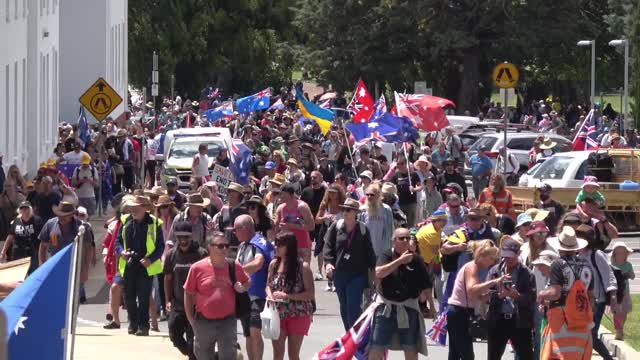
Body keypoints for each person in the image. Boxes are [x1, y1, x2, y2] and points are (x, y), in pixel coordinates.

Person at [184, 232, 250, 360]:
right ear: (210, 247)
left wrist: (243, 288)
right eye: (220, 246)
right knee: (203, 355)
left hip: (227, 321)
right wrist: (191, 319)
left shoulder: (234, 265)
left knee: (228, 356)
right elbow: (188, 293)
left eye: (226, 245)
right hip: (203, 321)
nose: (224, 249)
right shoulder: (197, 268)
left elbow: (247, 281)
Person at [369, 228, 432, 360]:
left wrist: (432, 307)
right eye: (401, 238)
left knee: (411, 347)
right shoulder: (386, 255)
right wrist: (399, 261)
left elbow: (426, 285)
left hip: (409, 307)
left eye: (407, 238)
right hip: (386, 306)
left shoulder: (417, 260)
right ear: (393, 241)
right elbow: (379, 273)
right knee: (377, 345)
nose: (405, 241)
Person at [537, 226, 594, 360]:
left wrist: (541, 295)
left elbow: (555, 293)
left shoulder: (558, 264)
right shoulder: (586, 265)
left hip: (562, 319)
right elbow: (590, 296)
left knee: (560, 354)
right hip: (582, 318)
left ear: (559, 247)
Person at [323, 198, 376, 330]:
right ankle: (350, 334)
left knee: (353, 306)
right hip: (340, 273)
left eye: (348, 210)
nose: (345, 212)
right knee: (344, 306)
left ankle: (355, 336)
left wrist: (374, 274)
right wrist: (328, 263)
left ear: (355, 213)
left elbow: (370, 253)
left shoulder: (363, 229)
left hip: (357, 274)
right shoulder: (336, 227)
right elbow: (328, 246)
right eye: (343, 209)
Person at [115, 196, 165, 336]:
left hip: (145, 266)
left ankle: (144, 326)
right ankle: (133, 323)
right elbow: (118, 242)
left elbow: (160, 246)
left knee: (143, 297)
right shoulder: (126, 221)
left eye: (137, 207)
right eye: (132, 207)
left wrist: (150, 259)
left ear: (145, 208)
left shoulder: (155, 223)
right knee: (129, 296)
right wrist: (122, 252)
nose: (133, 210)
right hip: (129, 264)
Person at [447, 239, 500, 360]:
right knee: (467, 355)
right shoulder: (472, 267)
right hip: (459, 312)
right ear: (482, 256)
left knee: (455, 354)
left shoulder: (472, 267)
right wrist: (493, 282)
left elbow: (471, 293)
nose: (493, 262)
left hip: (458, 312)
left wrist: (483, 297)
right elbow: (471, 290)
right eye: (491, 258)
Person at [266, 232, 315, 360]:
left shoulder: (302, 267)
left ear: (290, 247)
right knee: (277, 354)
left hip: (298, 313)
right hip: (277, 313)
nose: (276, 248)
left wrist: (287, 296)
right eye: (275, 245)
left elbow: (310, 294)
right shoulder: (273, 264)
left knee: (293, 355)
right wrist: (270, 295)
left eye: (280, 245)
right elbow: (268, 286)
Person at [163, 221, 207, 360]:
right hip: (177, 304)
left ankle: (193, 356)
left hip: (196, 307)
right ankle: (192, 354)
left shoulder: (201, 253)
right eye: (180, 237)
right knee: (174, 335)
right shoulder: (171, 255)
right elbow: (168, 279)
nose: (183, 240)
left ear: (191, 236)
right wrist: (168, 300)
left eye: (186, 237)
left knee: (192, 340)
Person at [486, 238, 536, 360]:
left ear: (518, 254)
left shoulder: (527, 273)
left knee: (526, 356)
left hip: (519, 321)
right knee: (493, 356)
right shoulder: (495, 271)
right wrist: (499, 295)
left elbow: (531, 298)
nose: (507, 259)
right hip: (498, 319)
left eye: (511, 256)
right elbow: (486, 294)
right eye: (505, 256)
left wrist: (516, 295)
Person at [235, 214, 275, 360]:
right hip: (243, 295)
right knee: (247, 334)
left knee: (254, 331)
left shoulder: (259, 243)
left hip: (257, 295)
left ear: (245, 228)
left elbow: (258, 263)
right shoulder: (242, 245)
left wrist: (238, 273)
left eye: (236, 229)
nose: (234, 232)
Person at [578, 224, 617, 360]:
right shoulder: (575, 255)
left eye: (581, 237)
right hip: (580, 303)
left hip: (596, 302)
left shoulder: (597, 255)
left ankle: (608, 358)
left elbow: (609, 276)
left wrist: (613, 298)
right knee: (583, 335)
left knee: (591, 334)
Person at [415, 209, 448, 314]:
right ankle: (421, 308)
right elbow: (436, 250)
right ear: (436, 221)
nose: (445, 223)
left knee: (425, 284)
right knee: (423, 285)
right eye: (443, 220)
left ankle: (423, 307)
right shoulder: (432, 232)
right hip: (421, 261)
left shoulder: (436, 229)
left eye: (445, 220)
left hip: (427, 259)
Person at [314, 183, 346, 288]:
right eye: (330, 192)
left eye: (334, 193)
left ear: (339, 194)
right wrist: (324, 218)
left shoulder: (343, 205)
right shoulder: (325, 204)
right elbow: (317, 220)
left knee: (338, 256)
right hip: (326, 232)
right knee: (326, 255)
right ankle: (329, 281)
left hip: (340, 233)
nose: (332, 195)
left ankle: (336, 279)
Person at [1, 201, 44, 275]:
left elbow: (42, 238)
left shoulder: (37, 220)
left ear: (30, 209)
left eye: (26, 208)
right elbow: (10, 236)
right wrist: (3, 252)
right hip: (18, 253)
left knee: (33, 275)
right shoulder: (16, 221)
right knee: (18, 275)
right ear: (19, 210)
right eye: (22, 208)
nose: (24, 210)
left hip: (32, 252)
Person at [274, 184, 315, 262]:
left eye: (282, 194)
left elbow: (311, 226)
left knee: (303, 271)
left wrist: (291, 226)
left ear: (291, 194)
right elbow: (276, 226)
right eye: (280, 194)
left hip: (302, 245)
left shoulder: (302, 207)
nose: (280, 196)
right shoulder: (280, 208)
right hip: (286, 245)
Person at [358, 183, 394, 258]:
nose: (369, 197)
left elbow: (390, 230)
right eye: (367, 194)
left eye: (372, 194)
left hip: (383, 250)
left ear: (378, 195)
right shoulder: (362, 210)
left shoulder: (386, 210)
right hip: (366, 250)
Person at [214, 182, 249, 255]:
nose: (230, 194)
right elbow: (221, 229)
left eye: (233, 192)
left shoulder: (245, 211)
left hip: (241, 250)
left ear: (240, 195)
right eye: (229, 191)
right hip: (226, 249)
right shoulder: (224, 210)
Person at [609, 242, 635, 340]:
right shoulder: (611, 265)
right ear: (614, 255)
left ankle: (621, 328)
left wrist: (628, 274)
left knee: (624, 312)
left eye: (623, 253)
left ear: (626, 254)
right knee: (617, 312)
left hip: (625, 292)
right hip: (616, 292)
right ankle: (618, 331)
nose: (621, 255)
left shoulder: (628, 265)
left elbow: (633, 276)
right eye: (619, 253)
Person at [390, 155, 421, 227]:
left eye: (401, 163)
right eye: (398, 164)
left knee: (410, 225)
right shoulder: (396, 175)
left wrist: (414, 189)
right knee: (401, 224)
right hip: (400, 204)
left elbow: (420, 187)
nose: (399, 166)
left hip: (411, 203)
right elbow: (391, 187)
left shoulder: (413, 174)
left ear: (406, 164)